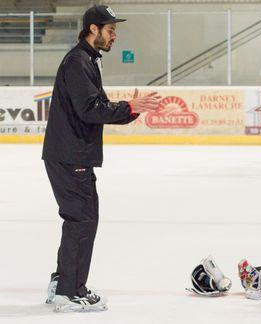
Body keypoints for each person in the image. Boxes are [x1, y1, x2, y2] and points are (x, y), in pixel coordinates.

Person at [42, 5, 161, 312]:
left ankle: (63, 281)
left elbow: (98, 109)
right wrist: (130, 106)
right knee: (82, 220)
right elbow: (90, 110)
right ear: (92, 29)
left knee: (79, 220)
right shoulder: (78, 62)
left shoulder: (86, 60)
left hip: (70, 154)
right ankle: (69, 291)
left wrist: (131, 110)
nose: (114, 36)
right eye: (110, 30)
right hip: (71, 156)